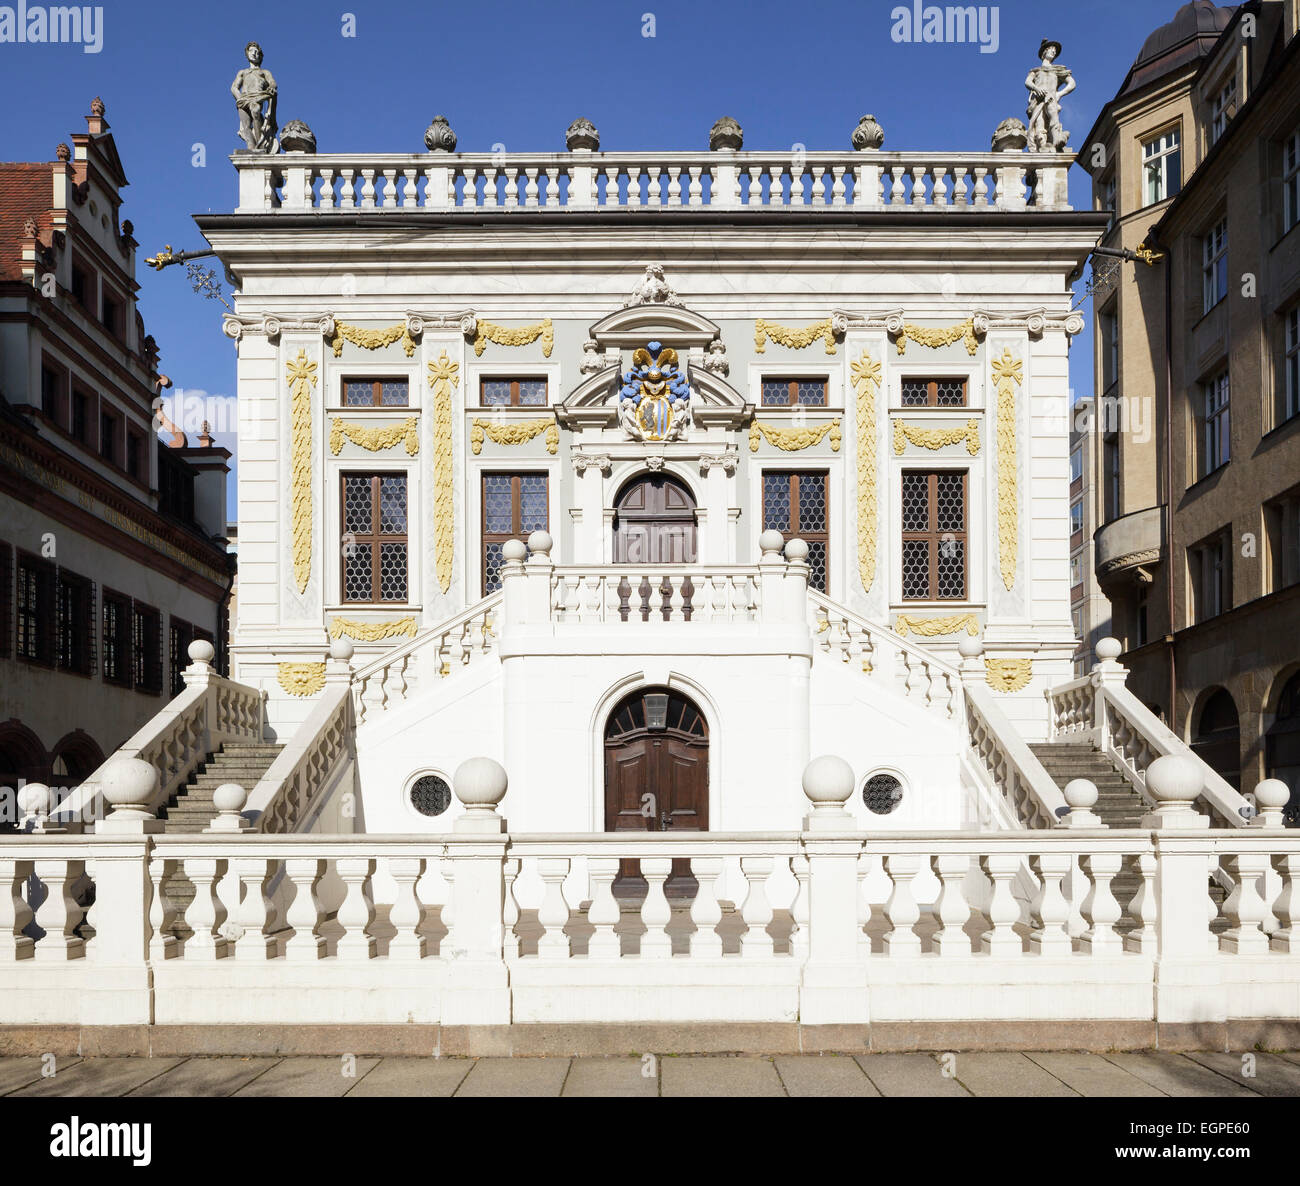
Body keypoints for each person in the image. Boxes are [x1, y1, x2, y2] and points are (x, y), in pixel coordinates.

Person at [1025, 39, 1075, 152]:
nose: (1054, 53)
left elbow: (1072, 83)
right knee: (1039, 122)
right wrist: (1036, 89)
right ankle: (1041, 145)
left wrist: (1059, 94)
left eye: (1055, 52)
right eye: (1051, 50)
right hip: (1037, 100)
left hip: (1051, 97)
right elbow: (1028, 82)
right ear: (1044, 52)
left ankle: (1057, 138)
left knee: (1053, 115)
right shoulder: (1036, 71)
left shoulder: (1057, 70)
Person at [232, 41, 278, 153]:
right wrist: (240, 98)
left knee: (256, 111)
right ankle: (251, 148)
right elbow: (234, 87)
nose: (254, 53)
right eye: (251, 51)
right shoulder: (243, 72)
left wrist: (271, 87)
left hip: (257, 97)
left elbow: (272, 83)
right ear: (247, 54)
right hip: (244, 100)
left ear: (260, 55)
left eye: (256, 52)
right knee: (246, 125)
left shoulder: (264, 72)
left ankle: (260, 143)